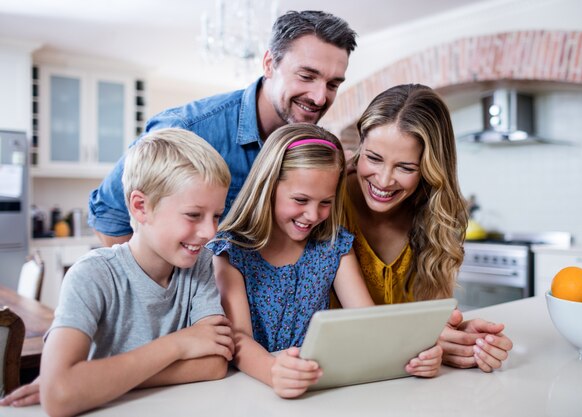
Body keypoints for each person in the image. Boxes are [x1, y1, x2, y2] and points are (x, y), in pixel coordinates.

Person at [0, 128, 235, 414]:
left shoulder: (200, 265)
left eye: (216, 216)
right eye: (193, 215)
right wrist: (179, 345)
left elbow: (214, 363)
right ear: (140, 207)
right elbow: (59, 395)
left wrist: (97, 380)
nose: (210, 232)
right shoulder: (92, 275)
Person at [208, 123, 443, 399]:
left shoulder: (333, 246)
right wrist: (275, 371)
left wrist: (418, 355)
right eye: (300, 199)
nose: (312, 214)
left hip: (315, 388)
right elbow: (238, 339)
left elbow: (368, 322)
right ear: (268, 186)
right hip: (251, 388)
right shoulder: (232, 250)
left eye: (325, 202)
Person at [89, 10, 357, 247]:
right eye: (306, 76)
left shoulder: (315, 148)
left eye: (333, 84)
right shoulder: (186, 129)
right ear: (269, 64)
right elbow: (109, 216)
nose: (320, 97)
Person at [341, 84, 513, 372]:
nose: (383, 180)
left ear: (430, 167)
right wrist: (423, 339)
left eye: (405, 168)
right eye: (373, 158)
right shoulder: (328, 201)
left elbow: (433, 322)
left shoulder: (440, 216)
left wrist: (463, 340)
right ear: (360, 146)